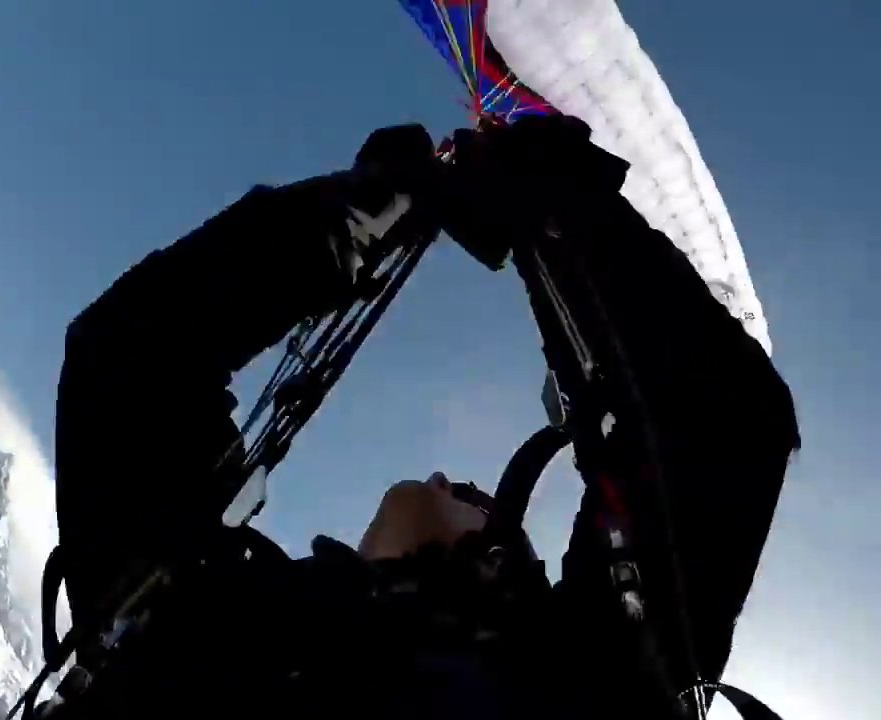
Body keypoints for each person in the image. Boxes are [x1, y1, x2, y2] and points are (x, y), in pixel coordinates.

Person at [45, 116, 799, 720]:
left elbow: (719, 427)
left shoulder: (581, 684)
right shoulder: (206, 614)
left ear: (502, 565)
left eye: (469, 495)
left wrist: (560, 210)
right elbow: (134, 361)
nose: (444, 475)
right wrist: (356, 218)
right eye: (471, 490)